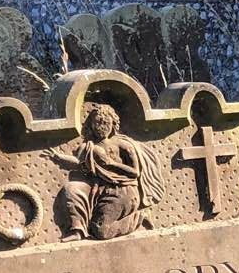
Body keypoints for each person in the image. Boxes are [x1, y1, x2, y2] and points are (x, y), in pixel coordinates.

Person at [54, 101, 163, 240]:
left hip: (124, 191)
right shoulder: (89, 146)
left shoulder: (123, 145)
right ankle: (77, 231)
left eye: (105, 123)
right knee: (72, 189)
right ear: (91, 125)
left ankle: (140, 216)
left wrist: (111, 164)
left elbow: (135, 172)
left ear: (113, 124)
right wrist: (59, 157)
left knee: (101, 231)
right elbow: (78, 163)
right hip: (100, 190)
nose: (101, 127)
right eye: (97, 123)